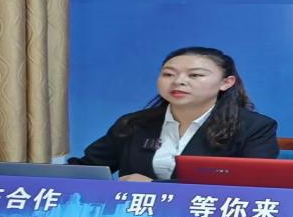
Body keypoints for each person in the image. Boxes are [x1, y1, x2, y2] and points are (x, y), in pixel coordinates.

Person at [69, 46, 279, 180]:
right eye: (168, 74)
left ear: (226, 83)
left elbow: (253, 184)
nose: (178, 81)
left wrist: (155, 188)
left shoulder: (254, 127)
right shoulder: (134, 124)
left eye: (195, 75)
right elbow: (89, 169)